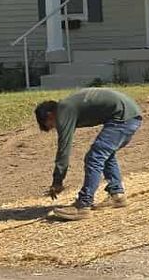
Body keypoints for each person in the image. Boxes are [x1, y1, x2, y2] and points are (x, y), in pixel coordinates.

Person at [36, 88, 143, 220]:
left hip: (124, 117)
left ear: (50, 115)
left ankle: (83, 205)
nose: (57, 127)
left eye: (52, 125)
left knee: (94, 158)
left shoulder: (63, 110)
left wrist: (57, 181)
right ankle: (117, 195)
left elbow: (63, 149)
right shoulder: (69, 105)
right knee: (105, 154)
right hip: (128, 115)